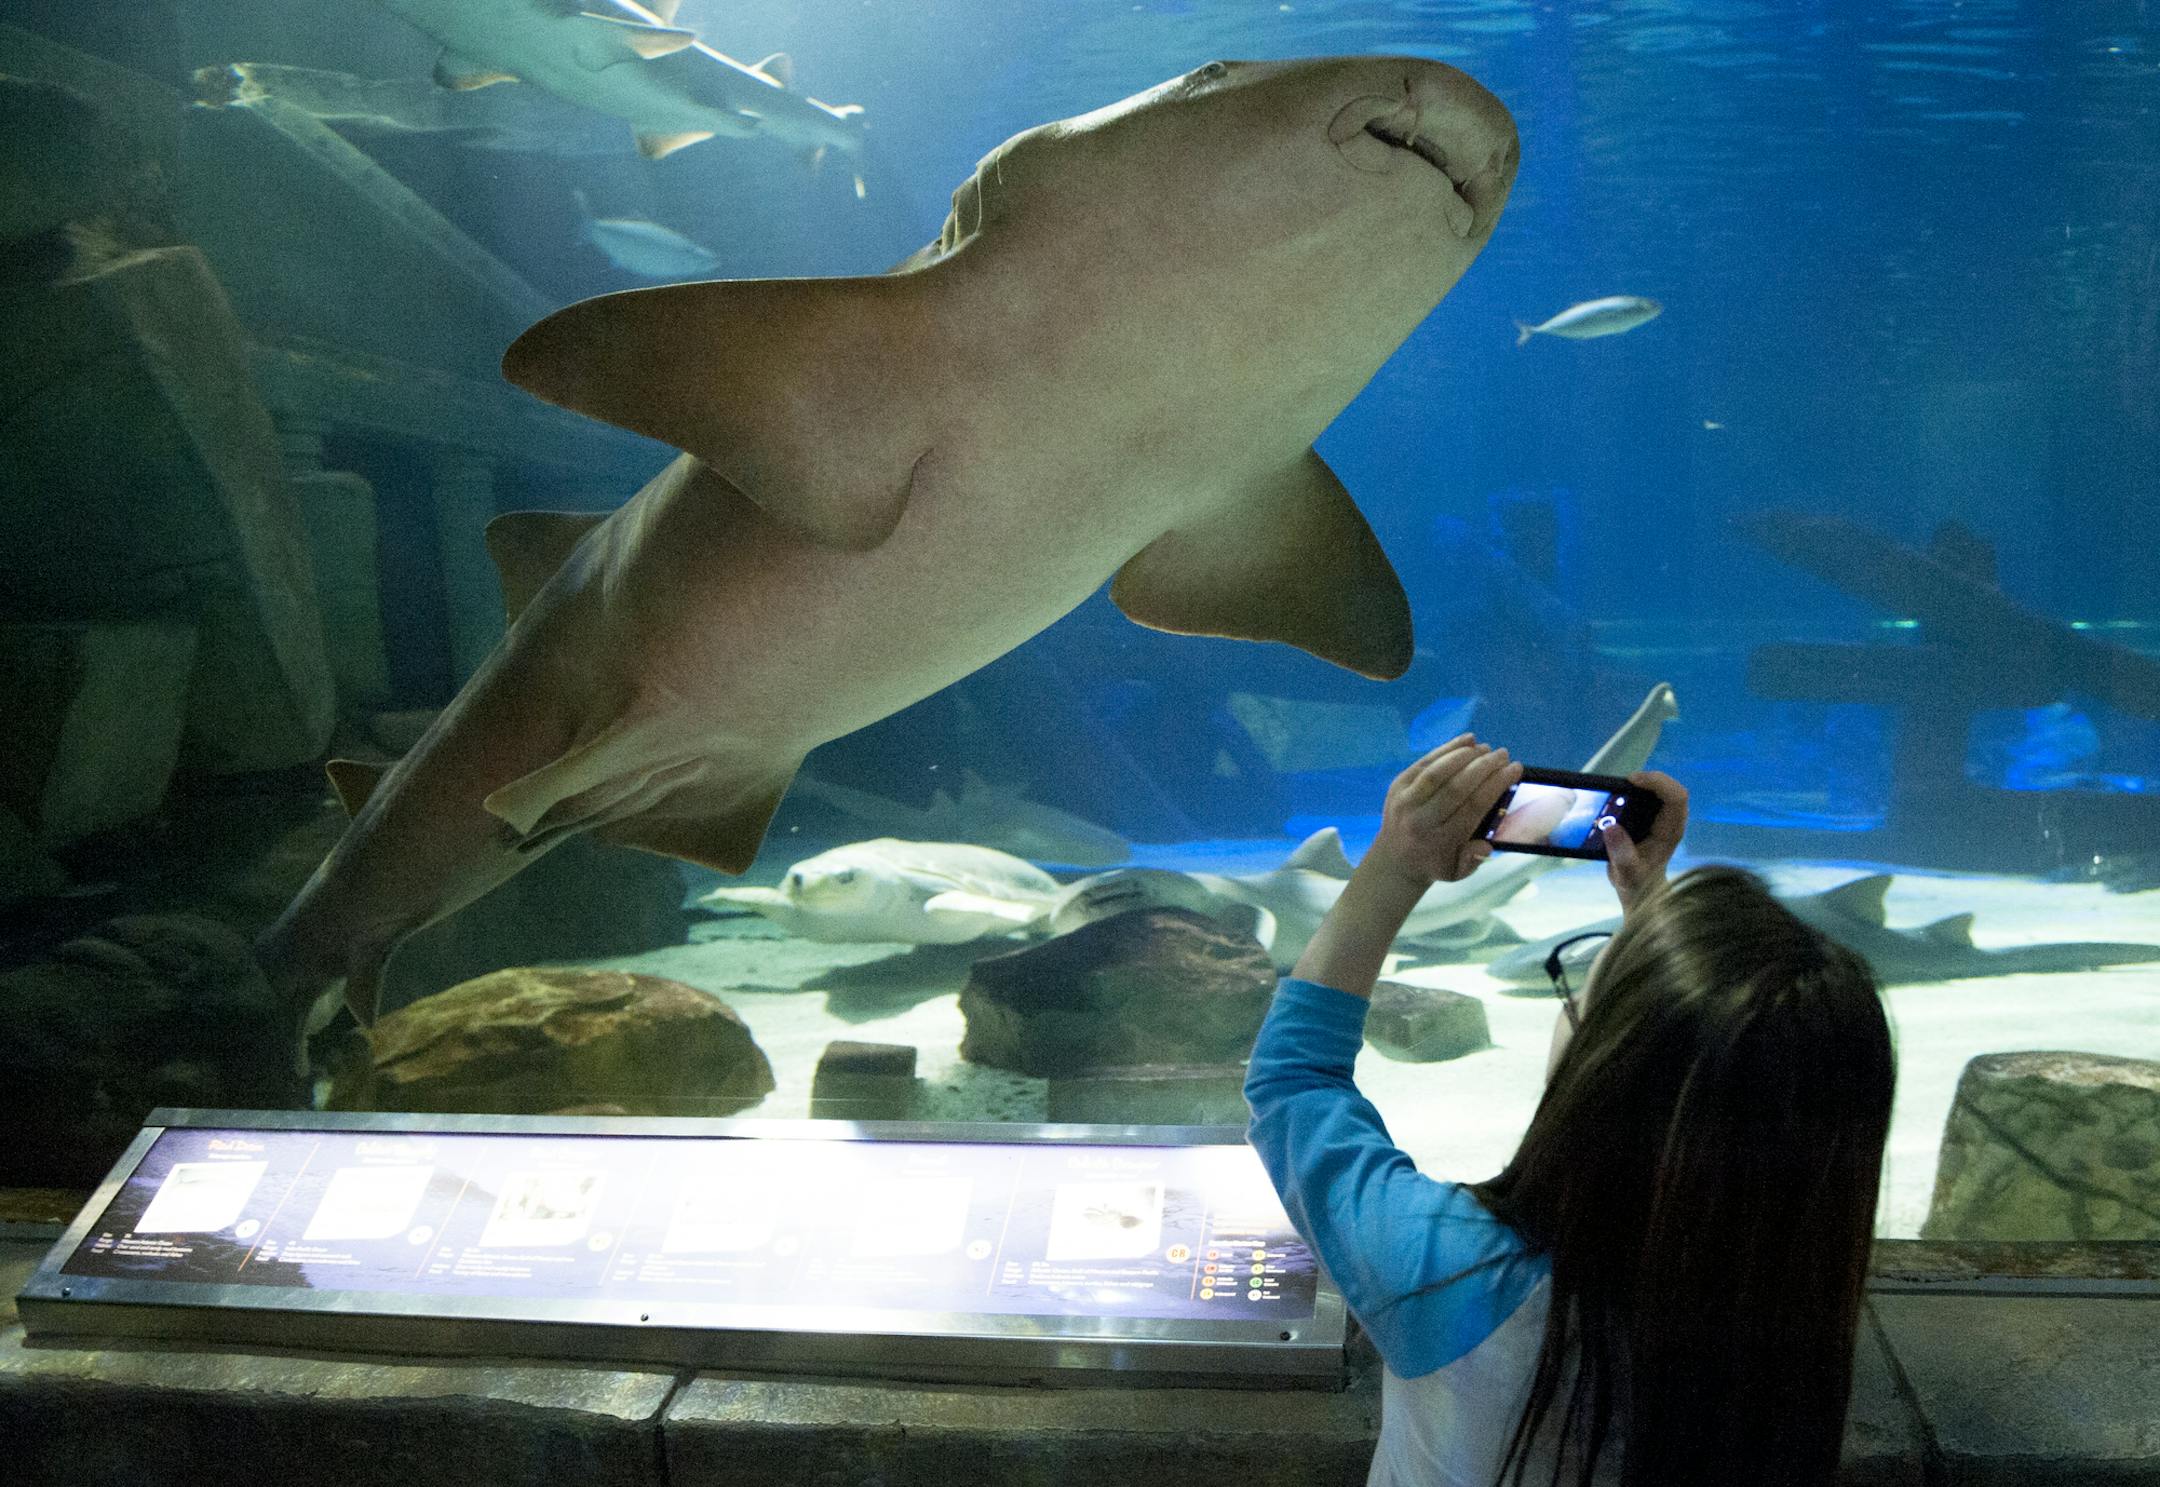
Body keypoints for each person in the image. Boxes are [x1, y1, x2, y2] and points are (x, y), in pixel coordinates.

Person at [1244, 735, 1895, 1487]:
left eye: (1587, 988)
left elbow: (1296, 1078)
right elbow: (1706, 1091)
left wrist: (1396, 862)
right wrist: (1654, 919)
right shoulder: (1789, 1323)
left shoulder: (1451, 1270)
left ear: (1603, 1069)